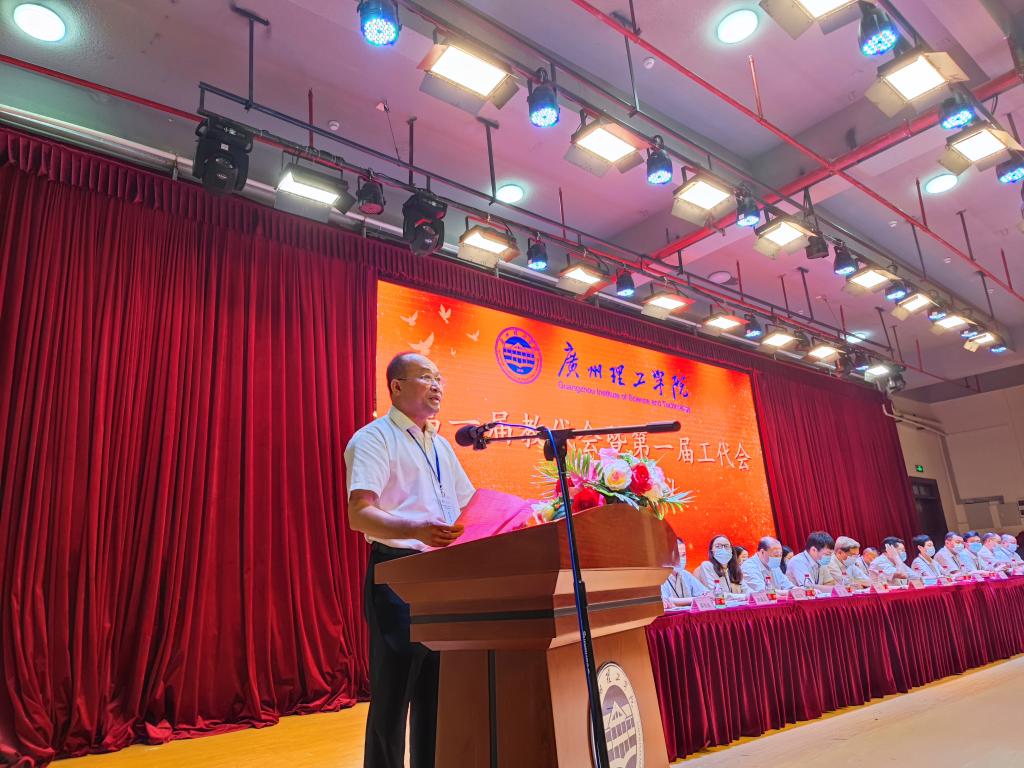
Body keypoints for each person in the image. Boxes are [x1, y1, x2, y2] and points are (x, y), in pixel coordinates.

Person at [345, 353, 475, 768]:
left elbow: (467, 505)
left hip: (443, 578)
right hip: (397, 573)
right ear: (396, 387)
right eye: (425, 377)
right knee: (394, 695)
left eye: (439, 378)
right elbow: (359, 513)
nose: (436, 385)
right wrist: (415, 529)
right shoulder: (373, 439)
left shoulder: (440, 445)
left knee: (436, 695)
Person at [661, 536, 708, 608]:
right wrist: (695, 599)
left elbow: (705, 593)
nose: (680, 559)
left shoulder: (685, 574)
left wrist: (707, 595)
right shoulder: (658, 575)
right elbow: (665, 600)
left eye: (683, 555)